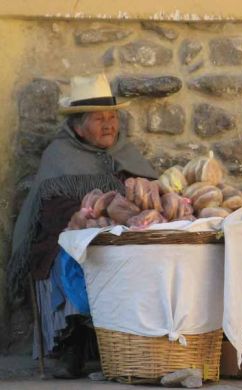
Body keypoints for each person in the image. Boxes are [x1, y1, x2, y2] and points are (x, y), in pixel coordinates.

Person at [7, 73, 158, 378]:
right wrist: (89, 214)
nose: (109, 125)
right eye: (99, 119)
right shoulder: (59, 155)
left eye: (112, 117)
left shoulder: (126, 152)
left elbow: (153, 195)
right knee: (74, 256)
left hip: (123, 237)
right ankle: (71, 342)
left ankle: (138, 340)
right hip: (65, 237)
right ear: (78, 125)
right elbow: (50, 214)